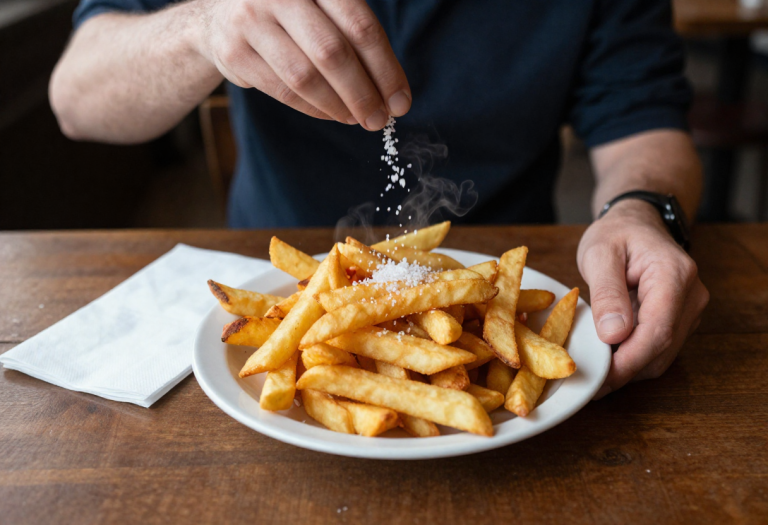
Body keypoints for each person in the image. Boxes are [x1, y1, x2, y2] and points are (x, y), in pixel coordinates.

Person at [49, 0, 709, 397]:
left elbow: (643, 117)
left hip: (502, 302)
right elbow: (77, 97)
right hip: (276, 298)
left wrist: (641, 209)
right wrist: (204, 26)